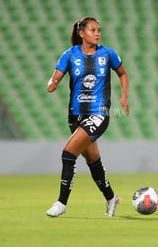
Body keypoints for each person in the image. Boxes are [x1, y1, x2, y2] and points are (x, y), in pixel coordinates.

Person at [45, 17, 129, 217]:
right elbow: (56, 75)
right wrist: (53, 82)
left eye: (99, 30)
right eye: (93, 30)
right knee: (93, 161)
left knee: (68, 153)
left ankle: (61, 203)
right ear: (82, 33)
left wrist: (124, 97)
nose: (98, 33)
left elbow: (123, 74)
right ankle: (111, 197)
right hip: (75, 116)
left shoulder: (108, 54)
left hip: (98, 114)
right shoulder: (70, 55)